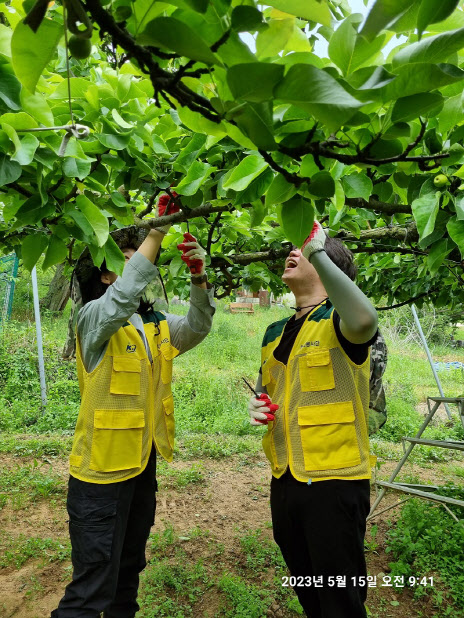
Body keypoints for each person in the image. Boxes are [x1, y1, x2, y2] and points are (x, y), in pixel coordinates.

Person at [52, 197, 215, 618]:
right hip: (99, 475)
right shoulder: (92, 320)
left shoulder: (156, 323)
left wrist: (200, 283)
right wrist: (155, 231)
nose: (143, 263)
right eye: (130, 258)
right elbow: (121, 297)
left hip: (142, 468)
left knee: (128, 574)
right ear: (106, 272)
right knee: (90, 589)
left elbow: (197, 327)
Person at [248, 221, 379, 618]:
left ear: (326, 267)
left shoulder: (341, 321)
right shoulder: (276, 330)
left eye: (302, 251)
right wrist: (256, 406)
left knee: (340, 599)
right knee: (307, 586)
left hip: (334, 482)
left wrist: (318, 249)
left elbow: (364, 320)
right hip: (286, 479)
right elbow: (266, 389)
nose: (293, 253)